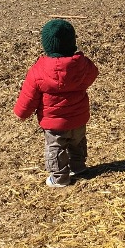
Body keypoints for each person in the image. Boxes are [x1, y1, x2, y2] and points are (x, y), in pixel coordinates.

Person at [14, 19, 99, 187]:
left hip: (54, 123)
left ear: (47, 45)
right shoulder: (82, 64)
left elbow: (29, 96)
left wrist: (20, 113)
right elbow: (93, 73)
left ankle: (60, 178)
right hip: (79, 118)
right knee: (77, 142)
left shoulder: (39, 70)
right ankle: (79, 167)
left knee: (56, 148)